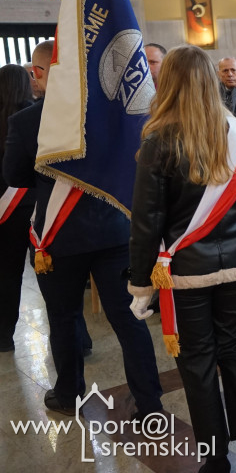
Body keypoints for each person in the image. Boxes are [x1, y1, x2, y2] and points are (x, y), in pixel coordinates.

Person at [128, 45, 236, 473]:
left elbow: (147, 221)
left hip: (185, 272)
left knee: (197, 363)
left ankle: (216, 460)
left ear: (169, 82)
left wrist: (140, 282)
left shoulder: (159, 140)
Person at [4, 41, 160, 417]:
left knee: (64, 317)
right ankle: (150, 401)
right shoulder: (113, 114)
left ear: (40, 72)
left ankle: (69, 394)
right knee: (128, 319)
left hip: (59, 238)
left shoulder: (25, 121)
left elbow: (14, 175)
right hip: (115, 233)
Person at [0, 64, 35, 352]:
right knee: (53, 277)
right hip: (39, 206)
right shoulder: (37, 115)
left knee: (7, 274)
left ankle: (3, 337)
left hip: (6, 209)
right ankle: (80, 339)